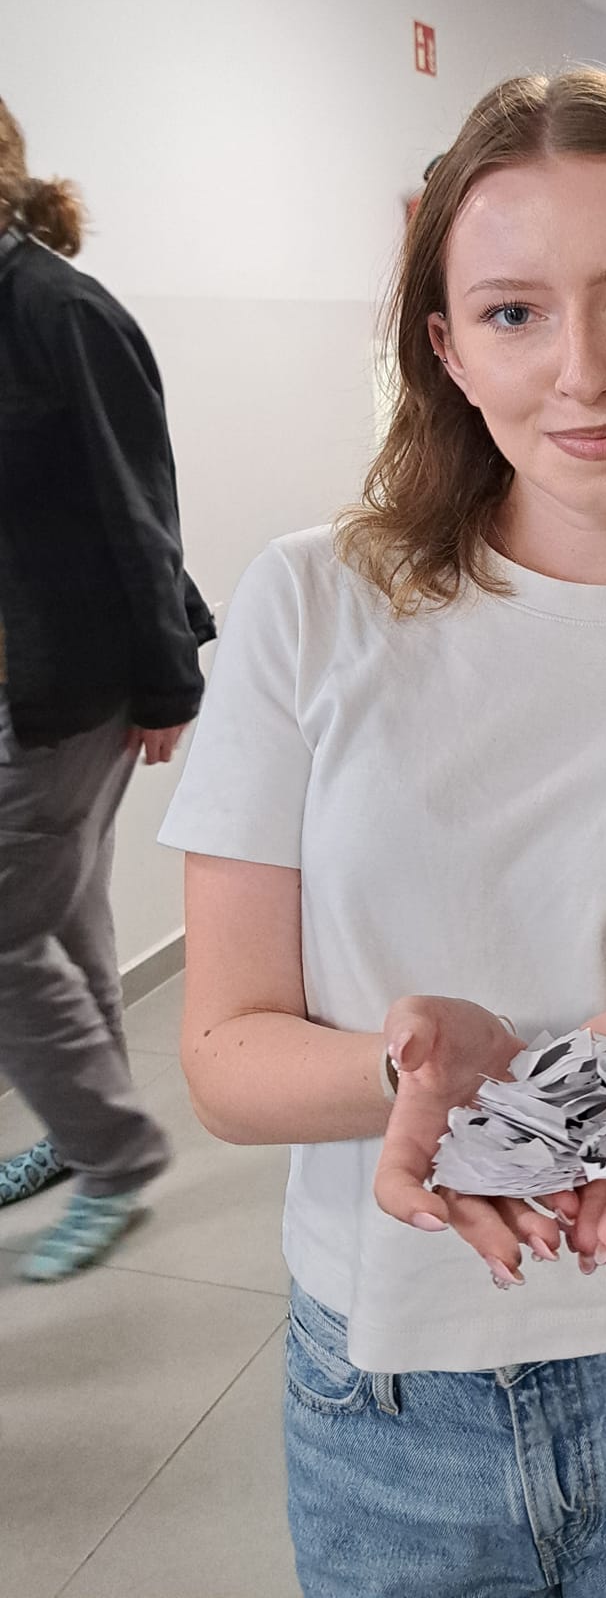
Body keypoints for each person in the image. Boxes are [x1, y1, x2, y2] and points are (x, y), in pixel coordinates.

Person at [159, 69, 606, 1598]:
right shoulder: (313, 605)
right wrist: (416, 1071)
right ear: (445, 346)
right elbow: (222, 1055)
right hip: (385, 1399)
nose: (584, 373)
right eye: (512, 313)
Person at [0, 97, 213, 1278]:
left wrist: (166, 680)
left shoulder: (60, 310)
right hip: (17, 679)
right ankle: (84, 1134)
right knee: (65, 904)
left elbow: (140, 509)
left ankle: (114, 1150)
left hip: (72, 678)